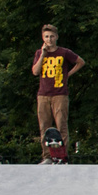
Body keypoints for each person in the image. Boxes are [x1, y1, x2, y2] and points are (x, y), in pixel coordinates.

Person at [32, 24, 85, 164]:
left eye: (52, 36)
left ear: (56, 37)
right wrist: (43, 54)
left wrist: (68, 74)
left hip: (60, 93)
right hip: (43, 94)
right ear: (43, 38)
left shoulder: (64, 52)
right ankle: (47, 156)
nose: (49, 39)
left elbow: (80, 62)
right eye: (46, 37)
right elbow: (35, 72)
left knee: (61, 124)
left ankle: (62, 155)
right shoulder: (39, 53)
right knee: (44, 126)